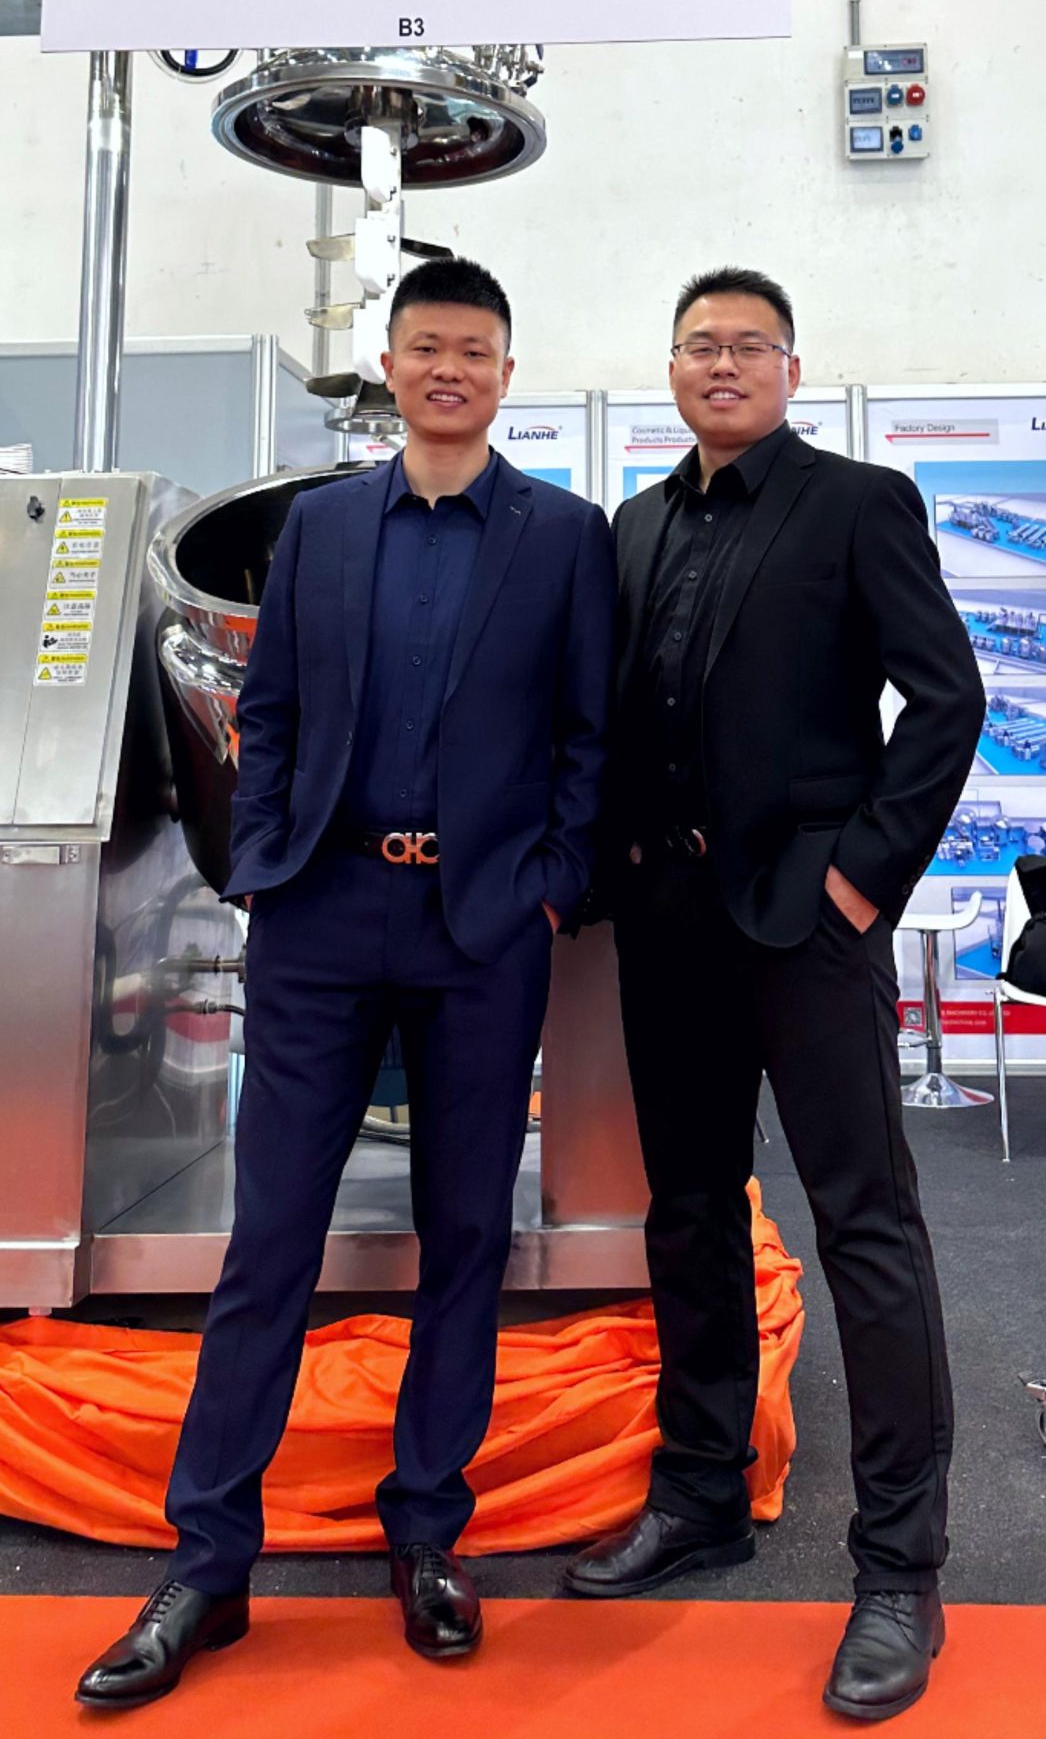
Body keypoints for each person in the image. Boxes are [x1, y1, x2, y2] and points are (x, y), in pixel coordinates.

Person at [78, 257, 616, 1710]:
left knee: (464, 1237)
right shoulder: (319, 530)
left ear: (507, 374)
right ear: (390, 363)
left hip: (482, 928)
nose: (450, 369)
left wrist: (550, 883)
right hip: (320, 916)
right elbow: (270, 710)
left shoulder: (566, 538)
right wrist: (262, 864)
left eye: (475, 351)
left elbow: (589, 734)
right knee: (270, 1243)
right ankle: (207, 1562)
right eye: (427, 346)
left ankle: (429, 1533)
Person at [565, 266, 984, 1726]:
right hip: (666, 927)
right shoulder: (632, 526)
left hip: (807, 928)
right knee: (687, 1215)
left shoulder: (857, 504)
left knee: (866, 1228)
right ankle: (701, 1494)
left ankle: (900, 1568)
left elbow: (947, 700)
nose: (723, 363)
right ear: (673, 367)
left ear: (791, 369)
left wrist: (861, 883)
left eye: (749, 345)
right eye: (700, 345)